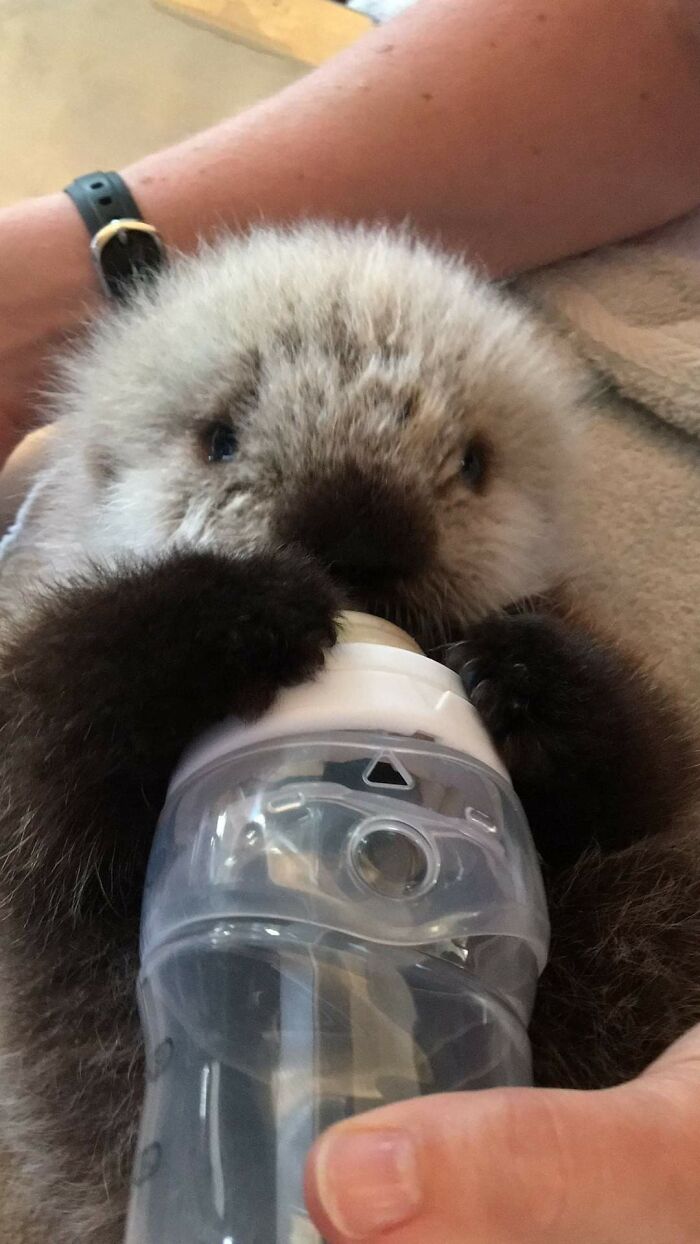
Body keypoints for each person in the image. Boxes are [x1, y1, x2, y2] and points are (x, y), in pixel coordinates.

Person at [2, 1, 700, 1239]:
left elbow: (636, 808)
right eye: (224, 443)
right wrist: (145, 655)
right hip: (170, 1142)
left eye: (469, 470)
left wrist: (569, 722)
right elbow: (46, 832)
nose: (368, 548)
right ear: (106, 472)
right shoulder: (86, 624)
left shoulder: (530, 620)